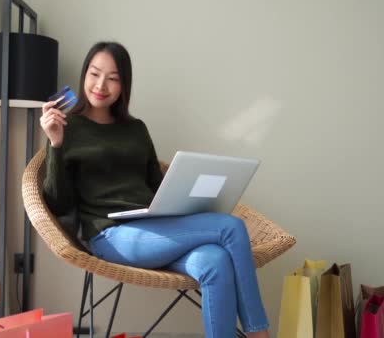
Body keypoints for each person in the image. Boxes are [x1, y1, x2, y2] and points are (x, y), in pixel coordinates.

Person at [40, 41, 270, 338]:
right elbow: (58, 203)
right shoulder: (66, 128)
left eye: (113, 78)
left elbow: (156, 186)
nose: (101, 85)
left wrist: (184, 188)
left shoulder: (136, 130)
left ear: (124, 84)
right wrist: (55, 144)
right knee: (230, 228)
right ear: (84, 74)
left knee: (216, 261)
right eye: (95, 74)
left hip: (155, 227)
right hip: (111, 234)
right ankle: (259, 333)